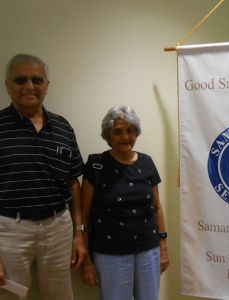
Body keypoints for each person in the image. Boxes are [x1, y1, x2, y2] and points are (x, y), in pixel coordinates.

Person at [0, 53, 86, 300]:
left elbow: (73, 182)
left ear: (47, 85)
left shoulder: (63, 127)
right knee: (10, 296)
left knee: (60, 296)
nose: (29, 86)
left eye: (37, 80)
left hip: (58, 227)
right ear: (8, 85)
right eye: (20, 80)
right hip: (9, 230)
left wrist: (79, 233)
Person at [81, 105, 169, 300]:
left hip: (149, 250)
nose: (125, 137)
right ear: (108, 135)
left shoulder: (147, 162)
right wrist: (87, 261)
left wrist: (163, 248)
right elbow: (84, 216)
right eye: (118, 131)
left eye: (130, 130)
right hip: (110, 253)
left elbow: (158, 208)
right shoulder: (97, 165)